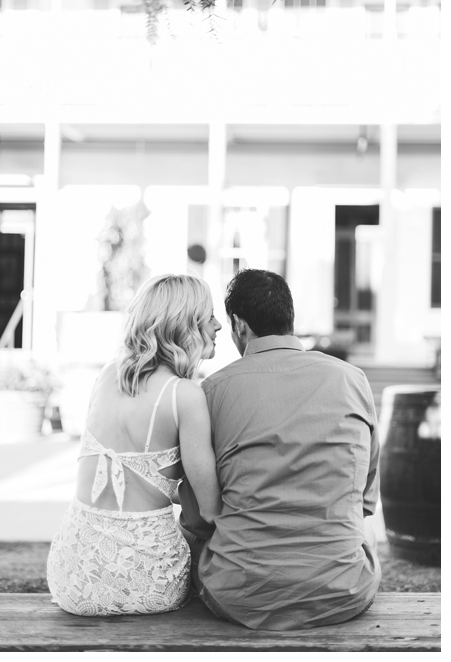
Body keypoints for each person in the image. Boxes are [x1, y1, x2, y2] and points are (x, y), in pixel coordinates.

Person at [178, 268, 381, 630]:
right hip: (344, 591)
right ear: (289, 318)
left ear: (239, 325)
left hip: (240, 596)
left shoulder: (210, 392)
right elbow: (365, 500)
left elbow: (198, 518)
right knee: (364, 531)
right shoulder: (353, 379)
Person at [46, 274, 223, 616]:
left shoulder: (108, 374)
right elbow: (210, 510)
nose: (218, 326)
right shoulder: (185, 395)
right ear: (185, 323)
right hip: (148, 580)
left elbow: (138, 476)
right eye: (210, 316)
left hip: (73, 577)